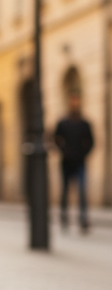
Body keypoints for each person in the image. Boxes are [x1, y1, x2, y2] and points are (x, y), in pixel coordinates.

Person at [54, 96, 94, 232]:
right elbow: (56, 139)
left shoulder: (84, 124)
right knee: (65, 191)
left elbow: (91, 141)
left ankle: (83, 218)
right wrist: (64, 151)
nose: (75, 105)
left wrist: (84, 153)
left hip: (80, 162)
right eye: (73, 102)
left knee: (82, 190)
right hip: (66, 162)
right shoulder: (63, 123)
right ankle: (64, 216)